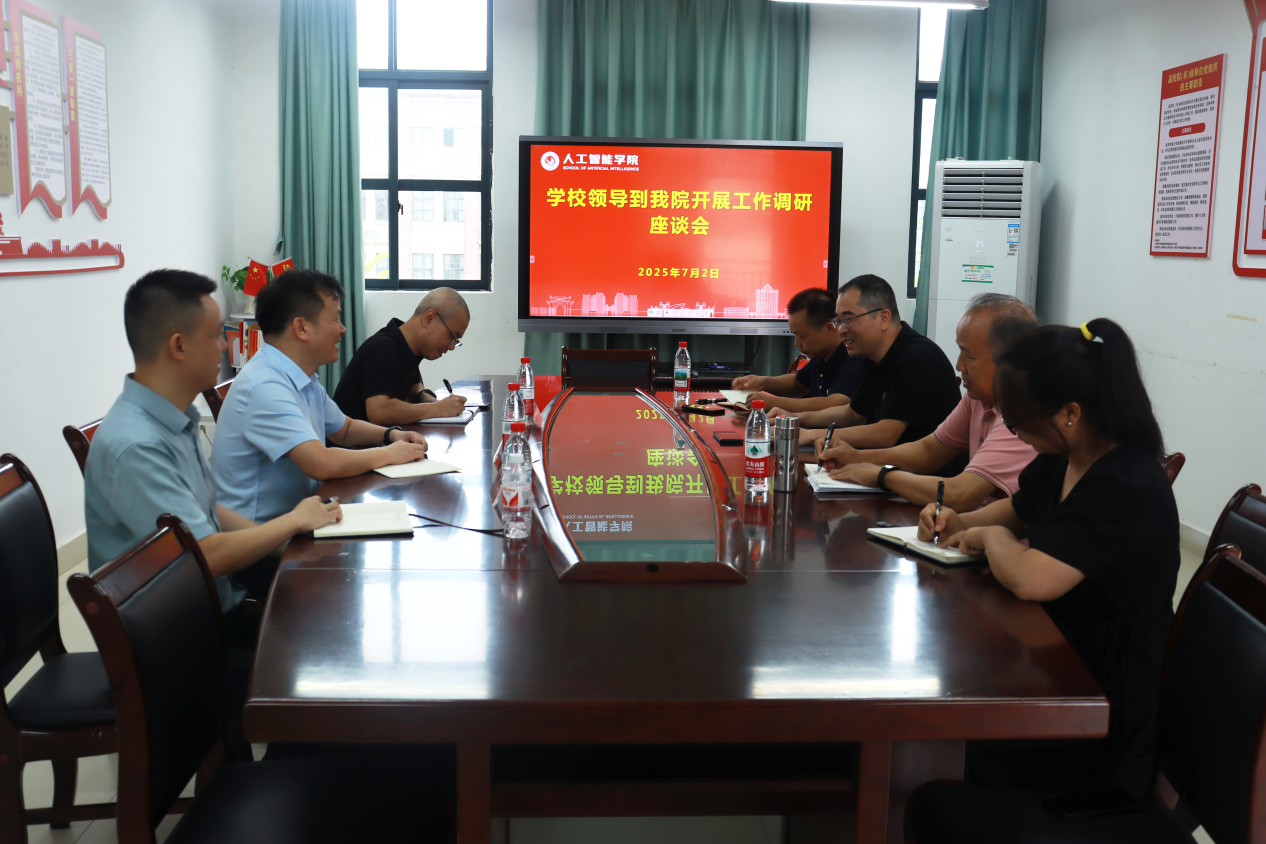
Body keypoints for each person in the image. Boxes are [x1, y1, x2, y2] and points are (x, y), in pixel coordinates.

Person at [918, 317, 1179, 796]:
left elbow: (1032, 578)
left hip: (1100, 705)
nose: (1016, 433)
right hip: (1054, 658)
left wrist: (989, 539)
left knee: (944, 755)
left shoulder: (1126, 482)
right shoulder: (1066, 457)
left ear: (1070, 413)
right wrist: (959, 522)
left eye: (1019, 422)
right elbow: (1018, 512)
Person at [84, 270, 344, 712]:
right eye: (214, 336)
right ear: (178, 346)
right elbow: (201, 555)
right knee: (322, 675)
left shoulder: (172, 419)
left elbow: (211, 510)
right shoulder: (137, 445)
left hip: (210, 612)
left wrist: (289, 544)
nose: (225, 346)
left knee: (327, 621)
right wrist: (292, 523)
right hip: (174, 647)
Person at [211, 268, 429, 535]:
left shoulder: (302, 376)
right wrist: (389, 454)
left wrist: (391, 435)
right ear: (301, 327)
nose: (342, 329)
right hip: (262, 541)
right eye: (335, 319)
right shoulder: (264, 385)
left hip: (303, 517)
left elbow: (345, 429)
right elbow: (320, 462)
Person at [816, 293, 1039, 510]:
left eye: (969, 356)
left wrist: (882, 475)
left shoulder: (1022, 414)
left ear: (1009, 360)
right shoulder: (978, 399)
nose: (959, 365)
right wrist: (854, 457)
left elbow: (961, 494)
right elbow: (928, 451)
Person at [783, 275, 963, 465]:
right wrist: (795, 419)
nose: (841, 329)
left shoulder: (918, 358)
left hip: (927, 477)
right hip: (888, 468)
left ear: (883, 318)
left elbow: (886, 434)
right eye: (838, 321)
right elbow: (852, 414)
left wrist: (812, 435)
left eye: (848, 319)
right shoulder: (873, 356)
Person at [333, 287, 470, 424]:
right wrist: (437, 408)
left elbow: (414, 386)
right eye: (452, 337)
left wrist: (423, 396)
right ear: (429, 318)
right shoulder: (383, 349)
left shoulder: (408, 347)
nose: (452, 347)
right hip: (350, 438)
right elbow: (379, 411)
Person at [729, 287, 865, 413]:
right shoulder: (821, 357)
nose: (796, 343)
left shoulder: (855, 357)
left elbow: (837, 403)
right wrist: (763, 382)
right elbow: (798, 384)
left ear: (829, 329)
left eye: (802, 336)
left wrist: (775, 403)